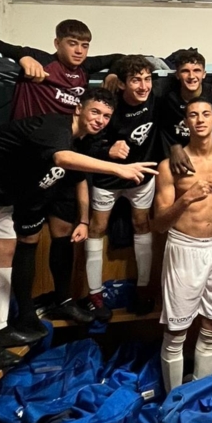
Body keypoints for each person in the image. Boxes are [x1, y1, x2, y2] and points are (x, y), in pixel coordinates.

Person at [0, 89, 156, 367]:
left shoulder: (82, 142)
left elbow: (77, 176)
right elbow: (62, 158)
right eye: (95, 112)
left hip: (2, 195)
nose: (100, 120)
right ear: (78, 109)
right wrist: (117, 168)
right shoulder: (55, 127)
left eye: (107, 116)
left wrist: (83, 220)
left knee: (4, 253)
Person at [0, 21, 124, 324]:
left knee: (63, 233)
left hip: (67, 164)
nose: (79, 51)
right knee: (28, 239)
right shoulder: (42, 60)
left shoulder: (85, 70)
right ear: (57, 43)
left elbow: (120, 57)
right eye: (72, 43)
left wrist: (114, 73)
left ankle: (63, 300)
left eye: (84, 45)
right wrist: (21, 57)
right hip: (32, 163)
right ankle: (26, 313)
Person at [152, 97, 212, 392]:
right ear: (186, 122)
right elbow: (159, 223)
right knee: (177, 329)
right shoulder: (170, 165)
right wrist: (187, 198)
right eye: (193, 115)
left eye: (206, 114)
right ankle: (173, 399)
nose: (200, 120)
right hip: (183, 247)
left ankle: (198, 390)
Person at [85, 56, 159, 321]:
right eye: (136, 80)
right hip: (108, 178)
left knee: (141, 224)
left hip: (141, 177)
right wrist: (108, 150)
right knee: (97, 227)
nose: (143, 86)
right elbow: (85, 144)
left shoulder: (155, 96)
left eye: (147, 79)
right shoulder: (109, 105)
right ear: (122, 84)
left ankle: (143, 288)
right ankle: (95, 296)